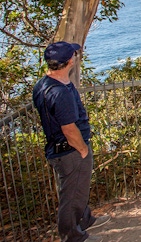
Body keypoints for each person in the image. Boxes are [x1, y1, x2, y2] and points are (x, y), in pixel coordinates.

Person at [32, 42, 110, 242]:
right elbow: (68, 128)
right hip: (71, 151)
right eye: (74, 54)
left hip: (60, 148)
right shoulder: (61, 93)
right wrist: (83, 149)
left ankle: (84, 220)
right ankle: (73, 237)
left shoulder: (43, 85)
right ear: (69, 62)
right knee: (71, 196)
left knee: (77, 190)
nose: (76, 56)